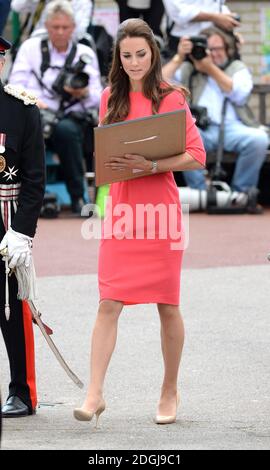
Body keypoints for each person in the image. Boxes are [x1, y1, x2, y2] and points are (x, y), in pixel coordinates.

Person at [73, 18, 206, 426]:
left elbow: (196, 155)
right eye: (126, 56)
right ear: (118, 57)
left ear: (153, 54)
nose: (134, 63)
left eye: (141, 55)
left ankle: (170, 389)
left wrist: (151, 163)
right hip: (121, 209)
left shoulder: (171, 97)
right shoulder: (109, 97)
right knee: (108, 301)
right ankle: (94, 393)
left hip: (160, 212)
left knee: (167, 305)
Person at [9, 0, 102, 214]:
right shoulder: (30, 48)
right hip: (35, 112)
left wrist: (83, 93)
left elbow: (98, 95)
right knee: (26, 128)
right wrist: (32, 100)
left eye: (65, 27)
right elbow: (14, 85)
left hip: (70, 117)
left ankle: (79, 197)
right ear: (47, 27)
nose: (60, 32)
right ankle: (25, 198)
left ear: (74, 27)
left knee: (67, 131)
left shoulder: (84, 53)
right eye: (55, 27)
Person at [162, 28, 269, 211]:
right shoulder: (189, 68)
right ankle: (202, 194)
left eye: (218, 48)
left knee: (258, 140)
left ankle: (240, 195)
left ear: (227, 49)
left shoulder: (237, 68)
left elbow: (240, 94)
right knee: (182, 137)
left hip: (234, 128)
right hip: (201, 130)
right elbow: (160, 81)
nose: (213, 53)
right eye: (209, 49)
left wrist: (210, 69)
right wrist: (179, 57)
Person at [0, 36, 45, 417]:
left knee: (13, 309)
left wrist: (22, 232)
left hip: (6, 218)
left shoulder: (22, 110)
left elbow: (34, 179)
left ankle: (22, 392)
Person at [162, 0, 240, 55]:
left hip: (214, 40)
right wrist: (216, 18)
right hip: (185, 42)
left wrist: (229, 24)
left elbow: (216, 5)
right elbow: (177, 11)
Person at [11, 0, 93, 41]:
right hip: (35, 46)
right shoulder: (42, 2)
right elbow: (16, 6)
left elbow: (79, 33)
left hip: (67, 52)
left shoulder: (81, 2)